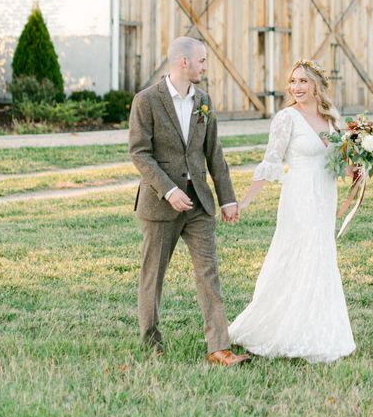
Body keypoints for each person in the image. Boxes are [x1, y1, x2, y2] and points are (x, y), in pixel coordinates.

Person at [129, 36, 249, 366]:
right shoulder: (146, 101)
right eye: (202, 61)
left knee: (208, 274)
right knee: (152, 276)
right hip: (159, 205)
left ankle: (218, 348)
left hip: (199, 206)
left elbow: (214, 154)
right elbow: (140, 153)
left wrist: (227, 200)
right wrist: (168, 190)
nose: (205, 66)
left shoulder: (204, 101)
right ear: (184, 62)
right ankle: (151, 342)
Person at [229, 58, 356, 363]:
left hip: (324, 195)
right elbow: (271, 161)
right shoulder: (287, 118)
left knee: (322, 258)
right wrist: (246, 200)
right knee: (298, 256)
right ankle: (281, 328)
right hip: (299, 198)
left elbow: (342, 162)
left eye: (303, 81)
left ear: (316, 86)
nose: (296, 87)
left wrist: (358, 169)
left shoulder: (332, 118)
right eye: (293, 81)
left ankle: (320, 330)